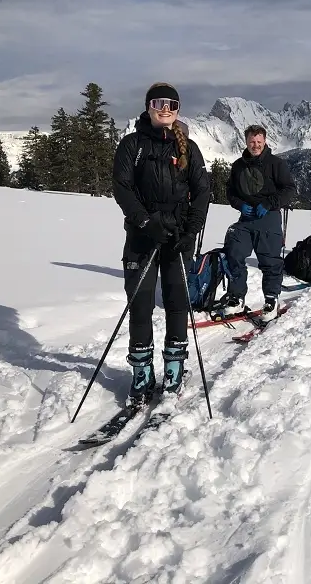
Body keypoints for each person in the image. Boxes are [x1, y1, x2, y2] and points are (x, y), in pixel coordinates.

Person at [112, 82, 210, 403]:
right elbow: (122, 188)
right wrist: (145, 221)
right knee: (140, 304)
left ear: (177, 109)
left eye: (172, 104)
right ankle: (141, 375)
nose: (165, 108)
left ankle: (174, 370)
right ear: (148, 106)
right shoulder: (132, 144)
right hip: (142, 236)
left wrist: (191, 231)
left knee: (177, 302)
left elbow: (202, 192)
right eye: (159, 102)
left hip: (178, 237)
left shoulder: (188, 148)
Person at [218, 124, 297, 323]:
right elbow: (230, 192)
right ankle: (236, 297)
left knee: (270, 260)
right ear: (246, 142)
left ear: (265, 141)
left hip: (268, 216)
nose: (256, 145)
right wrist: (240, 205)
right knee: (234, 252)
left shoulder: (276, 164)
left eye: (259, 142)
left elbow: (289, 189)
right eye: (252, 142)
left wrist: (269, 204)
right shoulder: (238, 166)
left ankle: (271, 299)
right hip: (246, 217)